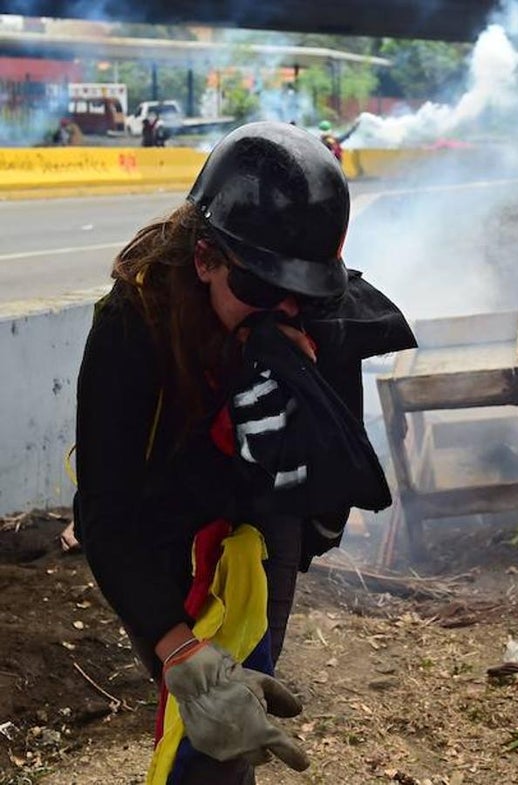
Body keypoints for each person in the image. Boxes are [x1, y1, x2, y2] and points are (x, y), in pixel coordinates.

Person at [72, 121, 415, 784]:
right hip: (158, 516)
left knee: (227, 737)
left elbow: (327, 477)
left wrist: (298, 389)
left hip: (258, 521)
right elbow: (107, 515)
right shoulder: (133, 326)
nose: (282, 309)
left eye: (302, 292)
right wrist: (178, 650)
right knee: (203, 698)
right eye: (260, 289)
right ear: (205, 259)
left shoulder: (315, 313)